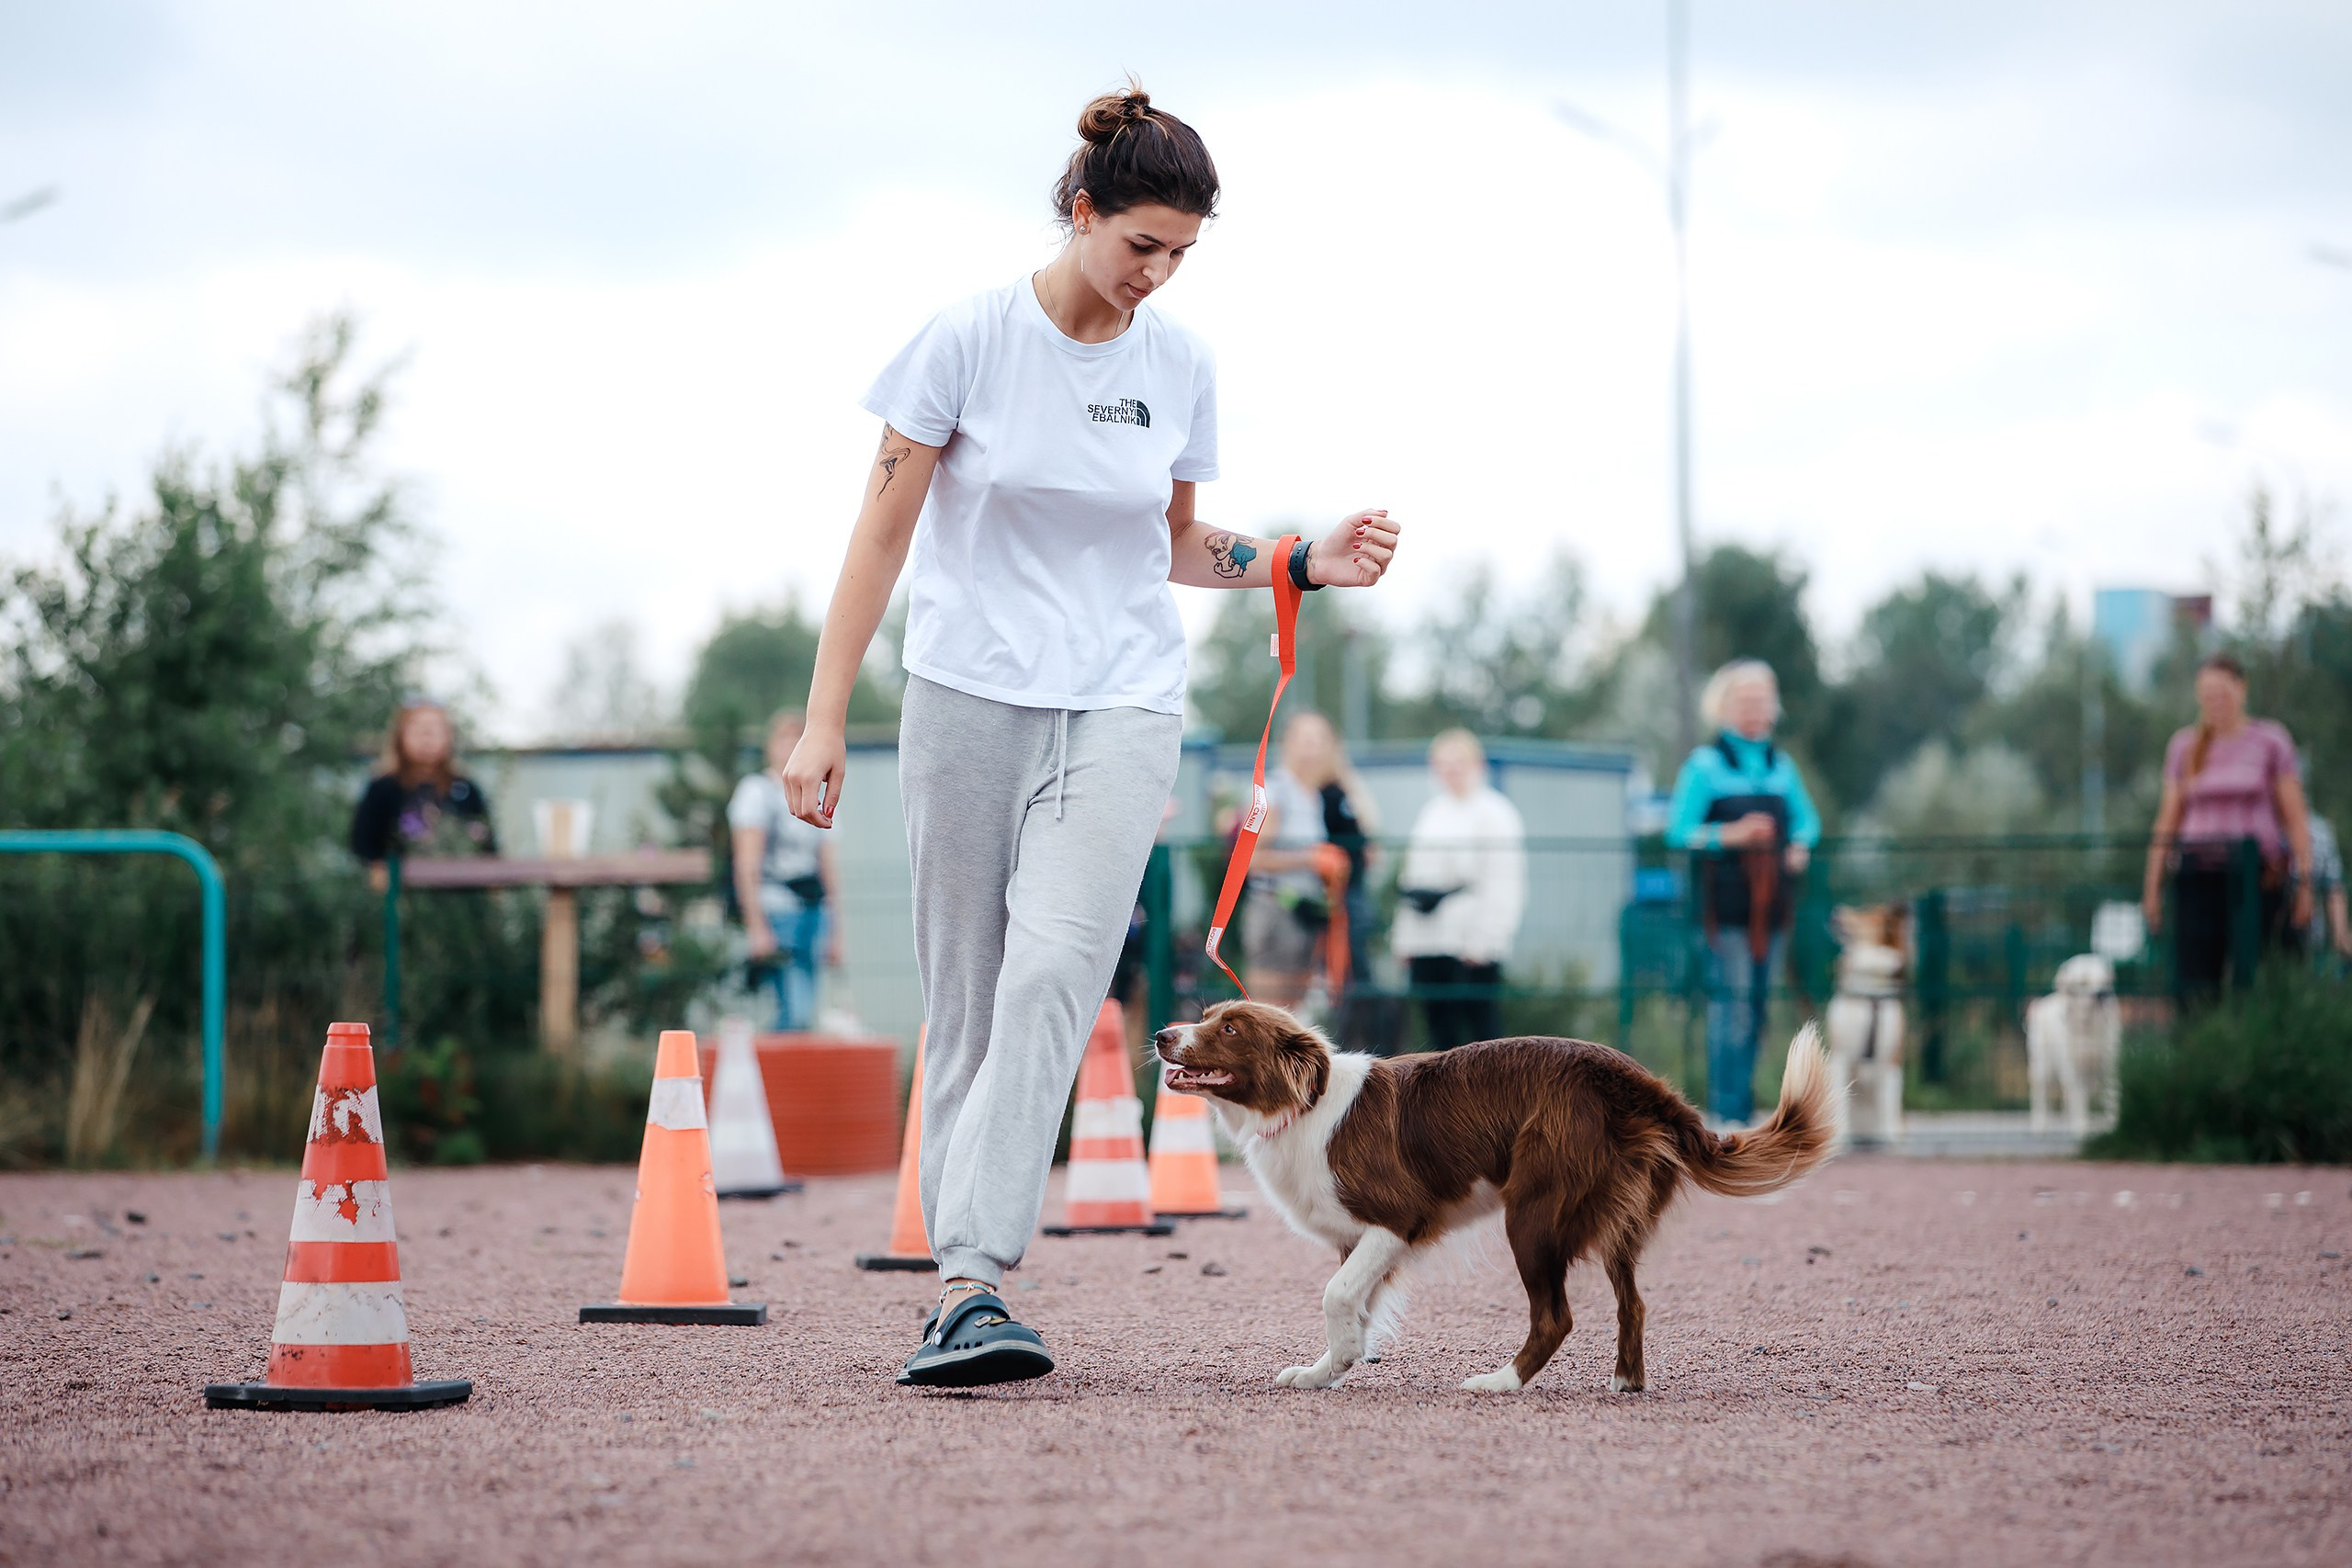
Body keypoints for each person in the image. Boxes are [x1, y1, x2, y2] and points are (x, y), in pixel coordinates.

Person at [779, 84, 1401, 1388]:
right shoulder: (964, 342)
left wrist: (1300, 556)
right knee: (965, 1001)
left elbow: (1170, 540)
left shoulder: (1179, 365)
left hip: (1122, 703)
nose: (1156, 276)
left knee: (1053, 977)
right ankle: (965, 1288)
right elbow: (880, 533)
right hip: (962, 698)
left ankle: (971, 1272)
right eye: (1140, 245)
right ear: (1080, 209)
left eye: (1180, 253)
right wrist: (827, 715)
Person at [1664, 660, 1821, 1128]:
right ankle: (1723, 1113)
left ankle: (1746, 1110)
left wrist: (1799, 845)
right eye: (1744, 699)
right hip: (1723, 911)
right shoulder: (1704, 765)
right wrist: (1730, 835)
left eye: (1762, 699)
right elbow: (1679, 832)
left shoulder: (1782, 766)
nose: (1755, 708)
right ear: (1724, 706)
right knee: (1729, 1010)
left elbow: (1808, 821)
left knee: (1757, 1011)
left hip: (1772, 911)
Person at [2142, 652, 2313, 1002]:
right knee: (2195, 984)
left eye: (2222, 692)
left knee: (2261, 975)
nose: (2215, 701)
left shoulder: (2270, 741)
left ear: (2242, 689)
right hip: (2198, 877)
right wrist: (2152, 887)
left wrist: (2305, 881)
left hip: (2257, 877)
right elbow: (2167, 821)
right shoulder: (2184, 747)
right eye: (2207, 694)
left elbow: (2296, 819)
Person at [1390, 729, 1524, 1052]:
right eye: (1443, 763)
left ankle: (1493, 1103)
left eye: (1458, 762)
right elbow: (1413, 877)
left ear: (1476, 764)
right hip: (1429, 940)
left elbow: (1505, 881)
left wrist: (1487, 940)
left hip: (1469, 941)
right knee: (1438, 1037)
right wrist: (1405, 939)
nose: (1451, 770)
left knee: (1483, 1039)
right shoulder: (1433, 812)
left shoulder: (1495, 812)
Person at [1242, 711, 1373, 1008]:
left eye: (1320, 741)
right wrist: (1311, 858)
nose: (1312, 750)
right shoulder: (1276, 790)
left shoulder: (1314, 793)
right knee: (1266, 1013)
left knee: (1290, 1014)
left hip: (1304, 913)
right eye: (1306, 741)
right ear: (1287, 744)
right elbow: (1252, 859)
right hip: (1275, 909)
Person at [727, 708, 842, 1031]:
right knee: (793, 1010)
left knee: (804, 1014)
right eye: (784, 739)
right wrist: (756, 926)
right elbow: (746, 864)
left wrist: (836, 932)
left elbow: (829, 869)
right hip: (777, 909)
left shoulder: (819, 793)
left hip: (812, 909)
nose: (791, 746)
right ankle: (777, 1077)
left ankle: (785, 1077)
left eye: (797, 739)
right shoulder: (757, 793)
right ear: (771, 746)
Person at [349, 696, 496, 890]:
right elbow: (363, 844)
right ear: (400, 736)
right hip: (402, 897)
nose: (426, 735)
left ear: (449, 736)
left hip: (461, 899)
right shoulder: (383, 788)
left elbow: (488, 847)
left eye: (435, 728)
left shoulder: (466, 788)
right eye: (417, 727)